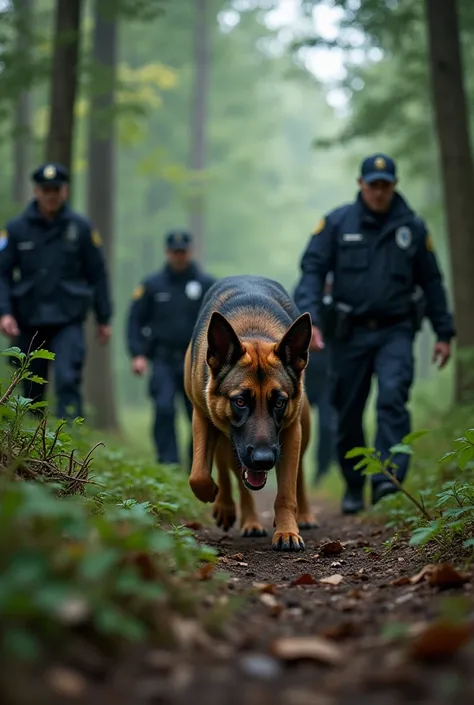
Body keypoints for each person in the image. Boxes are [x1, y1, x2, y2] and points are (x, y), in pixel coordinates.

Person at [294, 153, 455, 515]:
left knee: (393, 398)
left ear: (394, 185)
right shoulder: (336, 223)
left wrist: (443, 331)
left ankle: (387, 480)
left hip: (395, 331)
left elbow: (431, 281)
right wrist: (311, 320)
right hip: (348, 334)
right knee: (347, 411)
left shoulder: (411, 228)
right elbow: (312, 270)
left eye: (385, 185)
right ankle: (354, 483)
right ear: (360, 184)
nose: (379, 192)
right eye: (372, 185)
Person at [0, 162, 112, 420]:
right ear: (36, 191)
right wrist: (4, 312)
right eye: (45, 189)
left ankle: (71, 442)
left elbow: (98, 274)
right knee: (29, 387)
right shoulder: (16, 229)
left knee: (67, 378)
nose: (51, 194)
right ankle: (31, 448)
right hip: (28, 318)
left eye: (56, 189)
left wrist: (103, 318)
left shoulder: (81, 228)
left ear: (65, 191)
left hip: (68, 318)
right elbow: (2, 275)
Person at [127, 230, 215, 468]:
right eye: (175, 252)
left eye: (183, 251)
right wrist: (138, 354)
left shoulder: (207, 284)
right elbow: (135, 320)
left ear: (190, 251)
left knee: (198, 413)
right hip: (163, 359)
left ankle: (196, 464)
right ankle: (168, 464)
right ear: (167, 252)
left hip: (198, 361)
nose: (179, 256)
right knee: (164, 409)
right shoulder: (152, 285)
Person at [294, 273, 337, 485]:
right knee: (292, 423)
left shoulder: (342, 298)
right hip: (305, 377)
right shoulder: (302, 298)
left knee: (328, 427)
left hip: (329, 377)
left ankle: (324, 473)